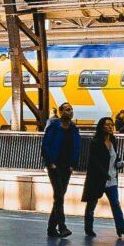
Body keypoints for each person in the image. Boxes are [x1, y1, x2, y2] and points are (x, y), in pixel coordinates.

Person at [82, 116, 124, 239]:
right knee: (91, 205)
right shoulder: (95, 142)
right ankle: (88, 228)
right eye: (107, 125)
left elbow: (114, 158)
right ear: (101, 127)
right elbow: (94, 161)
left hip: (112, 179)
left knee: (115, 203)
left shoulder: (113, 141)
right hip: (97, 179)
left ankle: (121, 227)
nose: (110, 127)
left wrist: (120, 163)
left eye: (111, 125)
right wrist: (104, 174)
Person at [41, 102, 80, 238]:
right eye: (68, 109)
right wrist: (50, 163)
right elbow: (46, 144)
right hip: (55, 166)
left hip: (67, 167)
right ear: (61, 112)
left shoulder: (74, 128)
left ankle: (51, 228)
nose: (71, 112)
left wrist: (73, 164)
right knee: (59, 194)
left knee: (60, 196)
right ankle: (62, 226)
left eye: (71, 109)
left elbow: (77, 146)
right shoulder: (54, 126)